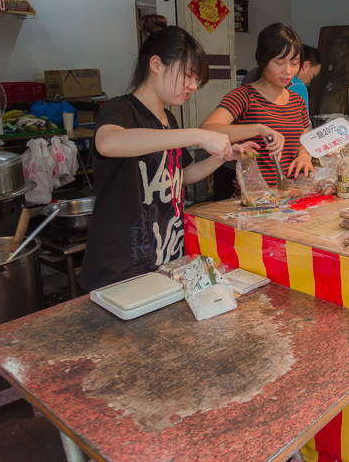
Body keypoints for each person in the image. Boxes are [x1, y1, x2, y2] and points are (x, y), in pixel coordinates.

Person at [80, 26, 254, 291]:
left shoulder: (168, 119)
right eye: (188, 76)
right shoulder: (122, 109)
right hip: (121, 263)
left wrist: (223, 156)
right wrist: (197, 135)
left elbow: (180, 176)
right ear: (156, 64)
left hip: (163, 255)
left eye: (196, 79)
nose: (193, 86)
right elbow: (107, 143)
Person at [202, 22, 314, 192]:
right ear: (263, 60)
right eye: (279, 62)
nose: (288, 71)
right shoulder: (244, 96)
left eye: (294, 63)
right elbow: (206, 131)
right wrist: (258, 129)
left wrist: (304, 154)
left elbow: (305, 136)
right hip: (254, 202)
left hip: (290, 200)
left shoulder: (296, 101)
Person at [241, 44, 322, 114]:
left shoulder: (252, 73)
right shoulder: (297, 85)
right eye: (313, 75)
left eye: (293, 64)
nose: (287, 72)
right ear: (305, 65)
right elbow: (303, 129)